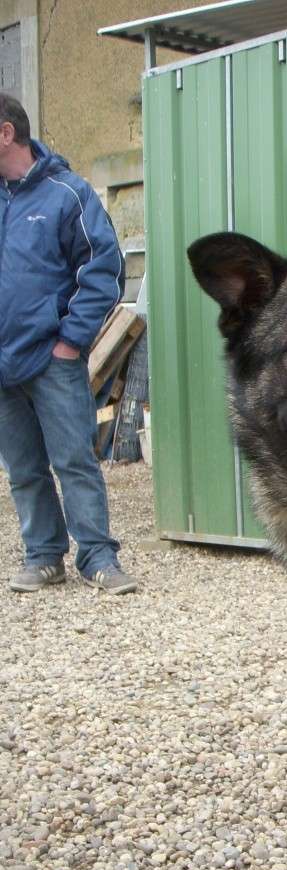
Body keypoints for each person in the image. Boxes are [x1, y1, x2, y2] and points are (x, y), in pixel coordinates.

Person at [0, 94, 136, 595]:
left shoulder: (67, 194)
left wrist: (70, 342)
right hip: (3, 362)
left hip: (51, 359)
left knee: (74, 460)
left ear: (6, 133)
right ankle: (43, 557)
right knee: (23, 469)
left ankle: (98, 556)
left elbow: (103, 272)